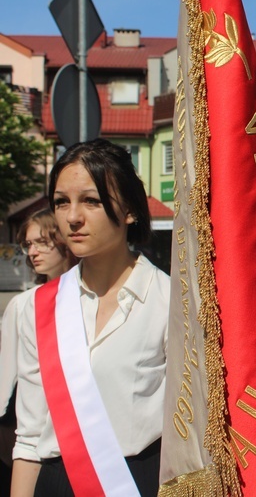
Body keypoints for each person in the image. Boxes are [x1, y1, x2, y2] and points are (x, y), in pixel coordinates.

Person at [11, 139, 170, 496]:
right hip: (54, 484)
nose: (72, 217)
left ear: (130, 209)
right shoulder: (36, 306)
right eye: (61, 202)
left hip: (135, 483)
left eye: (91, 201)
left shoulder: (171, 303)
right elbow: (30, 436)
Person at [0, 209, 77, 494]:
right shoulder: (23, 306)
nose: (32, 251)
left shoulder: (95, 298)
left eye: (41, 242)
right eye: (28, 244)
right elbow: (6, 383)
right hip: (38, 446)